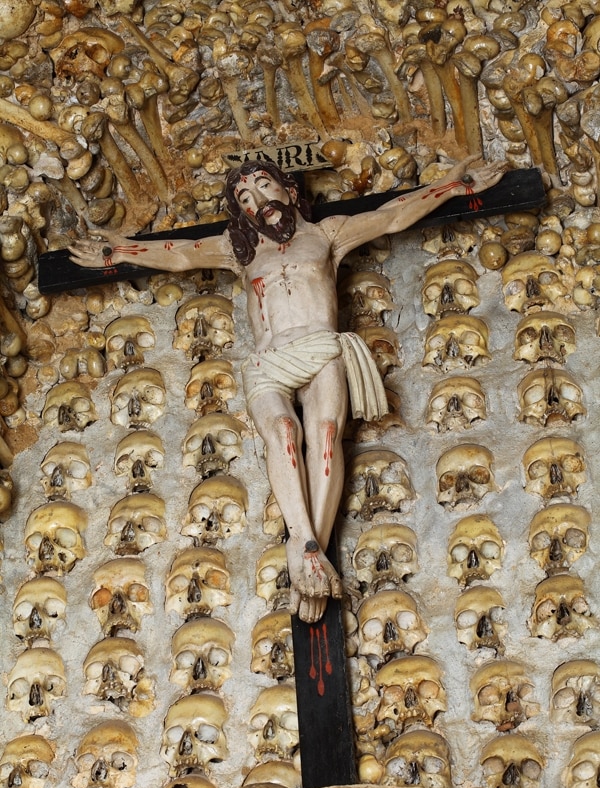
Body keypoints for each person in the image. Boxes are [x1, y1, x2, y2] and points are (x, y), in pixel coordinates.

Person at [69, 153, 506, 623]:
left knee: (324, 435)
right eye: (245, 197)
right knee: (281, 431)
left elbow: (391, 216)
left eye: (264, 186)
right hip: (268, 362)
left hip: (320, 348)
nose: (258, 200)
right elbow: (180, 254)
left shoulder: (326, 234)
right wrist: (120, 251)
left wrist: (453, 185)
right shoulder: (239, 250)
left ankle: (310, 555)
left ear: (290, 190)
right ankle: (305, 545)